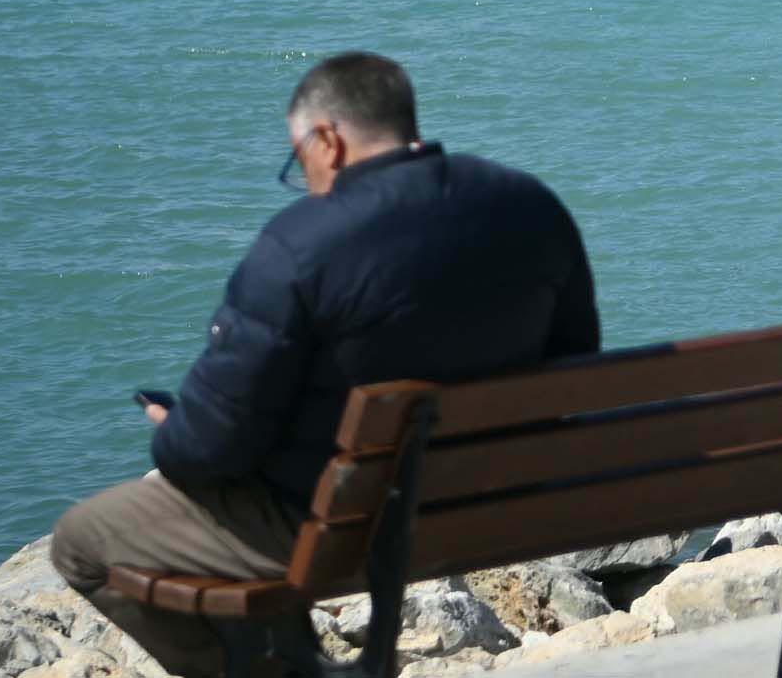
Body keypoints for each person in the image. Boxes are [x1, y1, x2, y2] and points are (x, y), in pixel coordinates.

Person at [53, 53, 599, 678]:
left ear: (328, 140)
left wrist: (173, 428)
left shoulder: (300, 245)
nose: (306, 179)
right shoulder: (531, 205)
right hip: (494, 508)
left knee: (80, 540)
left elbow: (205, 452)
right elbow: (575, 366)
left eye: (299, 158)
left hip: (343, 532)